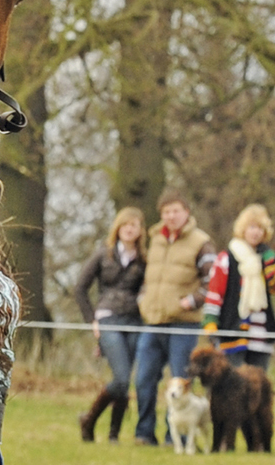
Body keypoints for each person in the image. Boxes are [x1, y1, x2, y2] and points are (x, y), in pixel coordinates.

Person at [132, 191, 216, 445]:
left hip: (184, 323)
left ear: (186, 213)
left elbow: (212, 280)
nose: (171, 216)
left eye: (175, 211)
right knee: (144, 378)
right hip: (153, 320)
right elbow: (148, 276)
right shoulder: (155, 239)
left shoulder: (201, 242)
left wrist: (191, 301)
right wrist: (143, 299)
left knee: (181, 379)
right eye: (166, 211)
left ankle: (176, 436)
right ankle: (144, 433)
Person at [73, 207, 146, 441]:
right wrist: (92, 320)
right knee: (122, 377)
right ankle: (90, 419)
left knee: (124, 382)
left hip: (135, 320)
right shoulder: (103, 254)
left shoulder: (144, 259)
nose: (129, 229)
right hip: (107, 318)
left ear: (140, 231)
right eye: (125, 225)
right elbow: (80, 289)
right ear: (118, 228)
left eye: (133, 225)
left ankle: (113, 434)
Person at [202, 203, 275, 371]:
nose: (256, 232)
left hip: (260, 331)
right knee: (234, 385)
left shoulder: (267, 257)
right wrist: (210, 321)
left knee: (258, 384)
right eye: (252, 227)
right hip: (232, 328)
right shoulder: (226, 258)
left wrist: (270, 263)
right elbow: (215, 292)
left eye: (260, 228)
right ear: (243, 229)